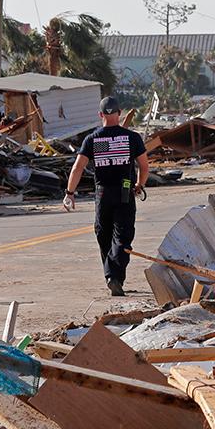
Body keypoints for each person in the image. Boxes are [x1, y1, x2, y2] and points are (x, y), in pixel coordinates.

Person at [63, 96, 149, 296]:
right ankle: (115, 277)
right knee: (122, 236)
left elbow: (77, 168)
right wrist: (139, 185)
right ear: (119, 113)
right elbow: (144, 167)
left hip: (102, 193)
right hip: (125, 190)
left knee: (104, 234)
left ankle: (111, 276)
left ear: (100, 115)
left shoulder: (93, 139)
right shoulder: (131, 138)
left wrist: (69, 192)